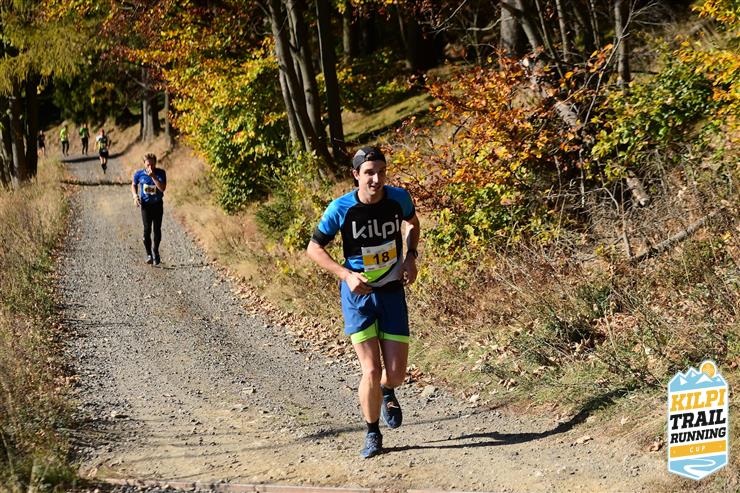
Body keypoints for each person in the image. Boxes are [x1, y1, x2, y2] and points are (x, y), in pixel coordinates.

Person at [306, 146, 420, 459]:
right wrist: (346, 275)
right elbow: (314, 248)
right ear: (356, 175)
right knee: (370, 369)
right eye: (369, 173)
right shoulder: (340, 208)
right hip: (358, 296)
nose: (376, 179)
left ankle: (387, 390)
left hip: (391, 290)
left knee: (395, 374)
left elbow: (412, 223)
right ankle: (372, 433)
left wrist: (410, 257)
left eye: (381, 172)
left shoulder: (399, 198)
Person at [131, 153, 167, 266]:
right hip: (146, 206)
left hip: (157, 205)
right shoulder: (139, 174)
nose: (150, 167)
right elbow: (133, 184)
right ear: (144, 164)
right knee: (147, 230)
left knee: (157, 230)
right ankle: (149, 255)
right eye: (148, 165)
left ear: (155, 164)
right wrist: (135, 196)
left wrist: (153, 176)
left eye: (152, 164)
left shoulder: (161, 173)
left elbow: (162, 188)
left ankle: (155, 251)